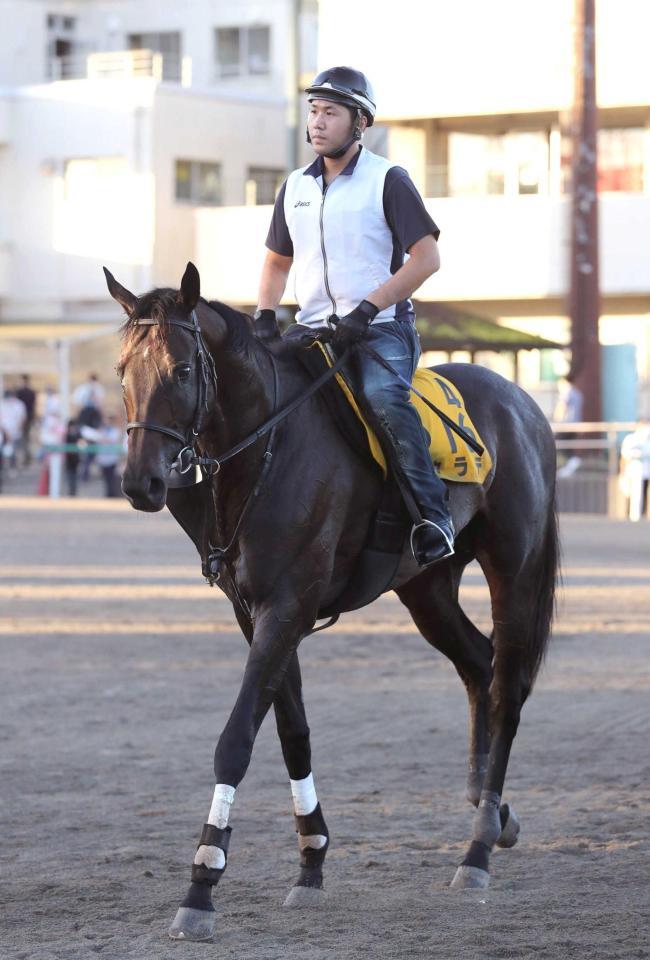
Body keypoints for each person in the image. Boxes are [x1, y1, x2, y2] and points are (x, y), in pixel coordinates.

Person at [255, 66, 453, 565]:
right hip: (311, 330)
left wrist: (368, 309)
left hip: (382, 331)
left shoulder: (389, 179)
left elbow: (426, 259)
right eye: (314, 111)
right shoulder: (294, 186)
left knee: (382, 398)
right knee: (257, 389)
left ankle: (433, 516)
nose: (318, 122)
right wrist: (264, 316)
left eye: (331, 113)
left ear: (360, 122)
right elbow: (277, 262)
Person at [619, 420, 650, 522]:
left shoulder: (648, 440)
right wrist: (622, 473)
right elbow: (624, 457)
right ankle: (630, 518)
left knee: (644, 494)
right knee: (632, 494)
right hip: (633, 472)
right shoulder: (631, 439)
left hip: (646, 473)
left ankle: (642, 516)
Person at [554, 374, 584, 477]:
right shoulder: (577, 393)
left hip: (567, 425)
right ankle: (570, 463)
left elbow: (562, 407)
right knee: (567, 445)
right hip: (575, 424)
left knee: (558, 443)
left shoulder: (567, 392)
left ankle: (571, 461)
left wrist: (557, 420)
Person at [15, 374, 36, 467]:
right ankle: (27, 456)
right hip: (28, 417)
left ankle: (25, 457)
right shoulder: (31, 392)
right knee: (26, 438)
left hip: (23, 418)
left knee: (23, 438)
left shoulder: (20, 392)